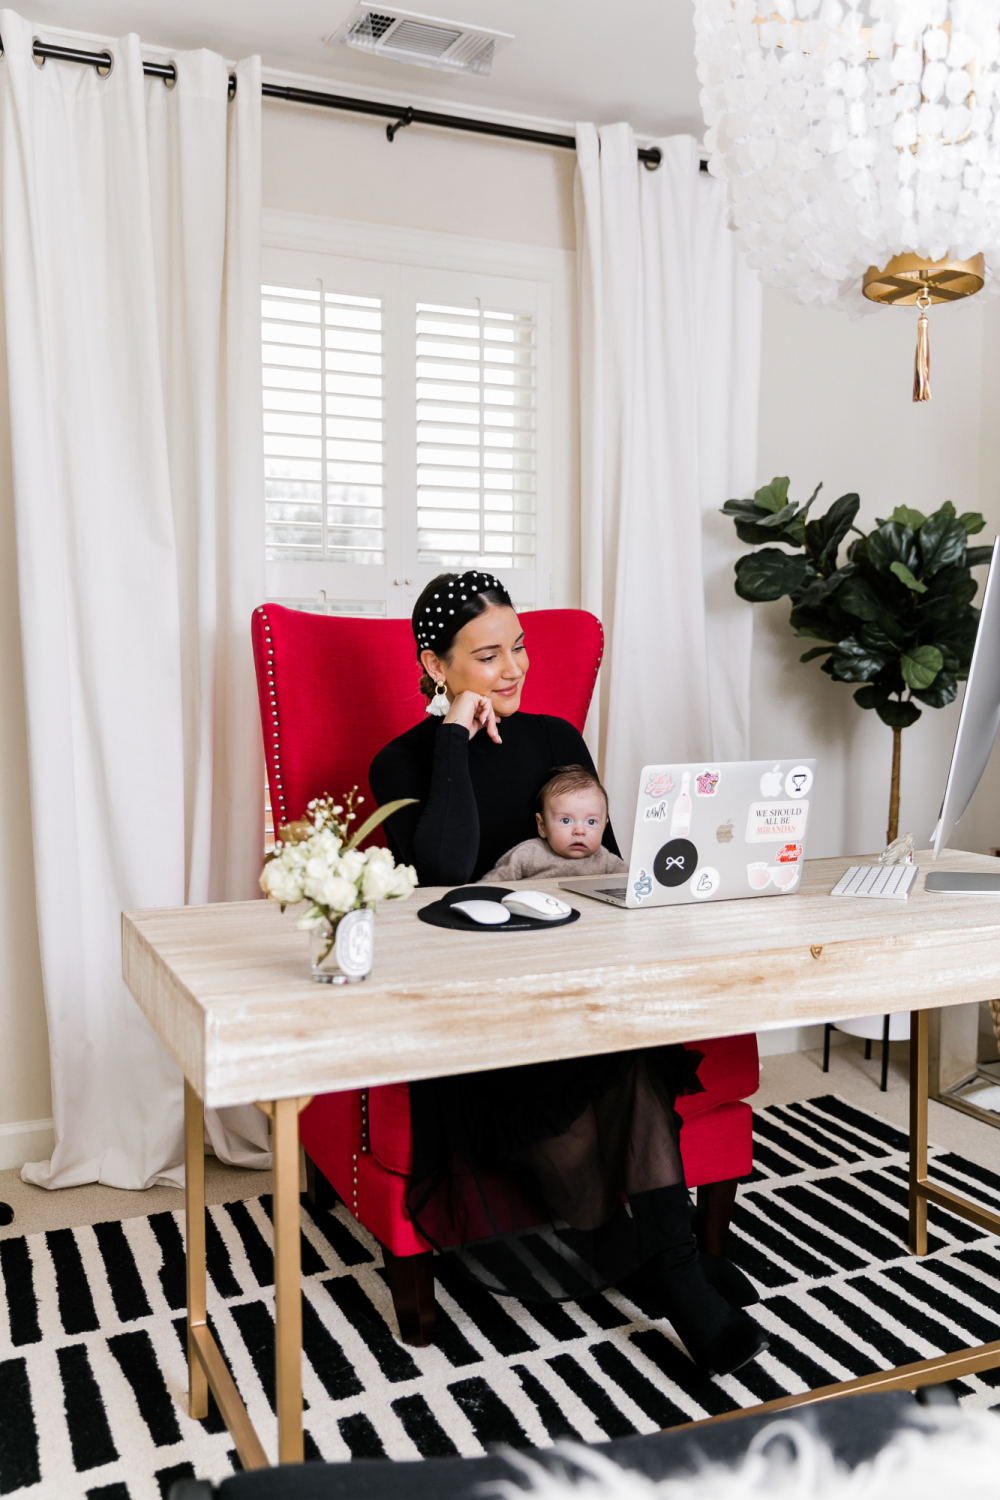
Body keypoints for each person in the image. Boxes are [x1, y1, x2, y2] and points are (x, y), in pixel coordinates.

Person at [369, 570, 765, 1376]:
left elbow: (604, 869)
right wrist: (452, 734)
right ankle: (676, 1272)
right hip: (476, 1009)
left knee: (621, 1056)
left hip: (584, 988)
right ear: (435, 665)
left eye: (519, 647)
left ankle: (670, 1265)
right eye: (487, 655)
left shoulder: (555, 741)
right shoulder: (400, 762)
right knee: (602, 1073)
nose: (513, 668)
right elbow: (442, 868)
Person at [482, 764, 628, 882]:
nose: (579, 831)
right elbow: (490, 886)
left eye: (591, 821)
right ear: (542, 826)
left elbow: (635, 885)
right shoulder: (529, 854)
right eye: (566, 820)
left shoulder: (606, 860)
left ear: (603, 826)